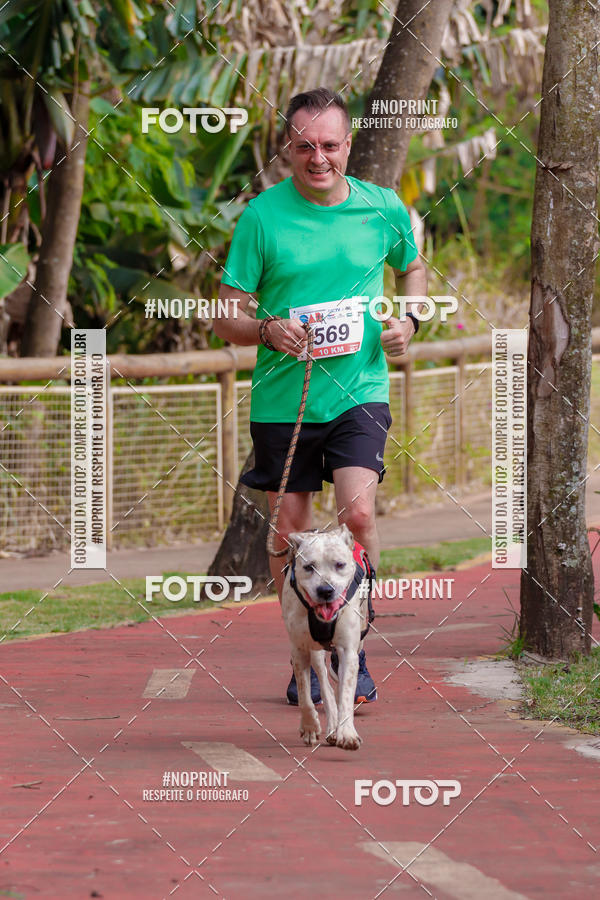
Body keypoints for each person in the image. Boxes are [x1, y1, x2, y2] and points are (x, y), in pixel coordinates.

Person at [213, 87, 428, 705]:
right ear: (288, 147)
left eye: (330, 146)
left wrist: (410, 321)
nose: (318, 158)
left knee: (358, 514)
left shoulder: (382, 208)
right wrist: (265, 330)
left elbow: (412, 267)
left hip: (359, 388)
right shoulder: (262, 217)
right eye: (305, 146)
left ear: (348, 146)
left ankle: (352, 646)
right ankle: (304, 649)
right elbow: (225, 315)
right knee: (291, 527)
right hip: (286, 400)